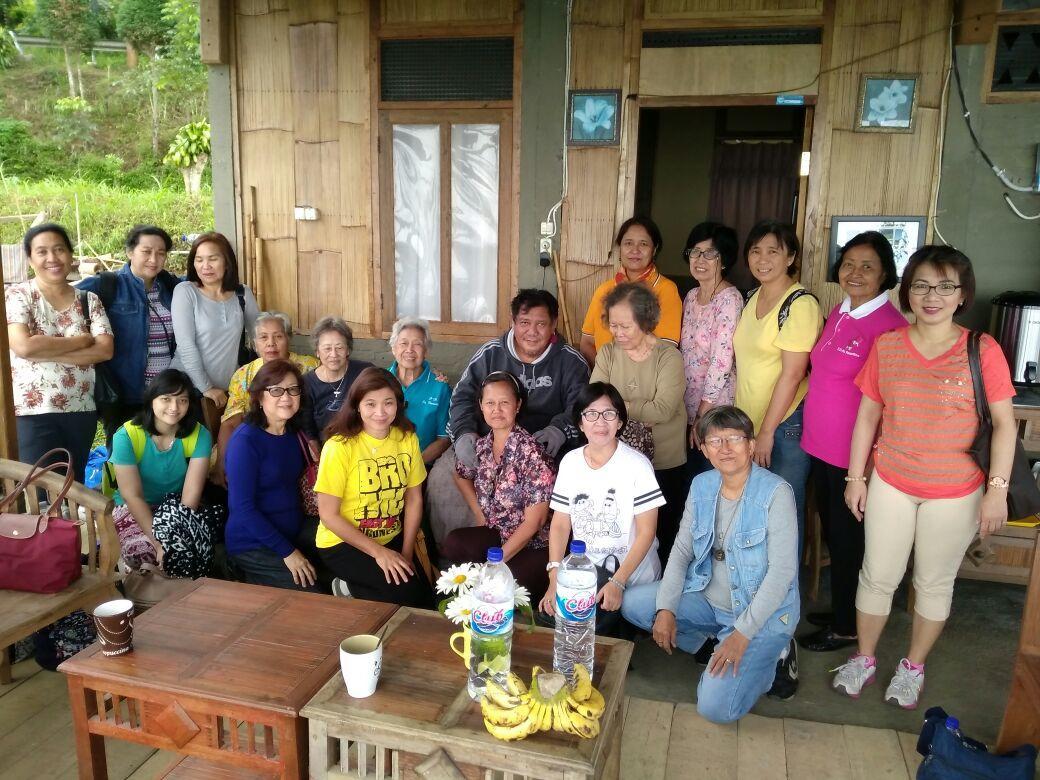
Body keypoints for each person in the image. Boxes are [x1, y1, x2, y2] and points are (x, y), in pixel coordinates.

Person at [833, 246, 1017, 710]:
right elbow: (868, 414)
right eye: (921, 285)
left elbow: (1004, 424)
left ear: (961, 295)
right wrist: (857, 478)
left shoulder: (983, 349)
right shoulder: (889, 345)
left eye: (945, 285)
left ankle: (913, 666)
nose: (932, 295)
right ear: (907, 291)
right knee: (877, 575)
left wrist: (996, 491)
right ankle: (865, 658)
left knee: (934, 583)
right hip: (892, 480)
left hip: (956, 490)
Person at [621, 406, 801, 723]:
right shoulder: (703, 485)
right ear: (703, 448)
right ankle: (712, 643)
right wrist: (665, 609)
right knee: (635, 603)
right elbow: (680, 552)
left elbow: (782, 574)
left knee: (715, 710)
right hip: (706, 597)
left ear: (751, 444)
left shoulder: (775, 493)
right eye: (715, 441)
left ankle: (776, 659)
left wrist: (742, 634)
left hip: (757, 614)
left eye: (734, 438)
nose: (725, 449)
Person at [798, 232, 905, 653]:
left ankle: (847, 627)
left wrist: (863, 469)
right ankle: (846, 609)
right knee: (836, 533)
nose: (855, 273)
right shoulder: (840, 311)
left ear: (884, 275)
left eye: (867, 266)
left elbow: (887, 403)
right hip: (821, 447)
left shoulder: (890, 328)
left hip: (854, 457)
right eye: (848, 264)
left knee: (849, 542)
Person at [429, 289, 589, 547]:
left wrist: (559, 430)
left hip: (545, 447)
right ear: (513, 322)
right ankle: (453, 561)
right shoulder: (491, 354)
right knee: (441, 479)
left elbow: (581, 407)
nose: (532, 331)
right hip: (487, 441)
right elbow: (461, 398)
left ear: (554, 325)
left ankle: (541, 551)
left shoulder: (570, 362)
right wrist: (464, 435)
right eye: (524, 323)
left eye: (541, 324)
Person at [539, 382, 663, 635]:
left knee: (583, 627)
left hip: (630, 572)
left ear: (619, 422)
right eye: (591, 414)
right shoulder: (571, 462)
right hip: (586, 571)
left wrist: (618, 582)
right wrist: (554, 576)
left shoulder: (637, 465)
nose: (600, 422)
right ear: (580, 422)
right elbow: (561, 524)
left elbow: (646, 533)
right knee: (549, 615)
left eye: (609, 414)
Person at [732, 220, 822, 555]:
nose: (763, 258)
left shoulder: (799, 305)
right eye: (755, 251)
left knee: (783, 512)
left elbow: (792, 374)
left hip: (784, 427)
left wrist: (767, 431)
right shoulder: (752, 297)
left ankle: (785, 598)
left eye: (773, 250)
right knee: (753, 509)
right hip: (749, 424)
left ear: (791, 257)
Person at [314, 367, 433, 606]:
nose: (380, 412)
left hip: (391, 535)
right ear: (357, 405)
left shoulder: (407, 438)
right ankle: (346, 583)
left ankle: (351, 586)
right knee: (408, 596)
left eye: (388, 403)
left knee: (427, 596)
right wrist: (380, 553)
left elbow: (414, 500)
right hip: (343, 542)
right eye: (370, 404)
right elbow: (328, 515)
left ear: (398, 404)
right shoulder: (339, 447)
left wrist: (406, 553)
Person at [6, 223, 113, 481]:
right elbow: (23, 345)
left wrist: (42, 349)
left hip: (81, 409)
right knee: (37, 489)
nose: (52, 258)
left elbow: (105, 350)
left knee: (72, 488)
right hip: (32, 411)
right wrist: (83, 339)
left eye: (59, 249)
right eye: (42, 252)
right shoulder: (18, 295)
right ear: (30, 259)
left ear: (71, 255)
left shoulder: (88, 300)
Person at [590, 282, 687, 562]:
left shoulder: (669, 357)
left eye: (625, 326)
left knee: (662, 531)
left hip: (663, 460)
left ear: (645, 321)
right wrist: (624, 409)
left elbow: (663, 410)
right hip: (616, 459)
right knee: (621, 529)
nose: (617, 333)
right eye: (613, 325)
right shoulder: (608, 353)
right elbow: (595, 401)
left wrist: (616, 409)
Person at [442, 372, 556, 600]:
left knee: (507, 585)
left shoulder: (532, 453)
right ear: (481, 406)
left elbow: (535, 522)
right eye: (490, 403)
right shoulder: (483, 446)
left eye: (504, 402)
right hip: (497, 532)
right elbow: (461, 474)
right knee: (454, 544)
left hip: (533, 544)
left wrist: (495, 564)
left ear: (518, 405)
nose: (497, 409)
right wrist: (478, 512)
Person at [109, 369, 224, 579]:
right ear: (151, 399)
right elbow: (131, 495)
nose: (174, 408)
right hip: (133, 507)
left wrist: (172, 536)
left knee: (188, 550)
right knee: (143, 552)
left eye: (182, 400)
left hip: (178, 508)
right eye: (166, 399)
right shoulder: (126, 436)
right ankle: (140, 593)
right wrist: (158, 540)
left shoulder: (199, 435)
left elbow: (191, 494)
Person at [224, 359, 323, 591]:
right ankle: (247, 575)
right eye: (276, 390)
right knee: (313, 594)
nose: (286, 397)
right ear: (259, 397)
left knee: (342, 555)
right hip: (254, 543)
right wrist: (289, 552)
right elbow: (242, 508)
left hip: (294, 530)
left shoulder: (293, 433)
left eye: (292, 389)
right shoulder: (245, 441)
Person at [78, 225, 180, 443]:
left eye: (161, 253)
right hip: (124, 396)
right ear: (130, 252)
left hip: (167, 396)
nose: (154, 259)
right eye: (146, 251)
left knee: (166, 458)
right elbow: (65, 296)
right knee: (124, 463)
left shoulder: (172, 287)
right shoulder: (107, 285)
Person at [214, 311, 319, 485]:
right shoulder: (243, 375)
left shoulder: (310, 367)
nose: (271, 343)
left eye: (278, 336)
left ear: (288, 338)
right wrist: (220, 465)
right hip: (258, 444)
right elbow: (230, 422)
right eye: (263, 337)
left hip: (299, 440)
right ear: (254, 344)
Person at [170, 232, 260, 431]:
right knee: (190, 451)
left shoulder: (242, 293)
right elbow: (186, 345)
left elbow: (259, 336)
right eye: (199, 260)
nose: (205, 266)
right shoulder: (186, 291)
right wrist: (207, 388)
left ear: (227, 262)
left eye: (213, 259)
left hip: (229, 390)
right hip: (188, 389)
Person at [679, 221, 744, 478]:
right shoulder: (691, 296)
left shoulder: (729, 299)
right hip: (689, 404)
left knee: (712, 474)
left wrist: (702, 413)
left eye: (710, 253)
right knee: (692, 477)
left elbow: (722, 360)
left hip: (716, 408)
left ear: (724, 259)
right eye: (695, 252)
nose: (700, 259)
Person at [580, 216, 682, 367]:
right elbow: (587, 342)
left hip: (644, 383)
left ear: (654, 250)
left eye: (643, 244)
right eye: (628, 243)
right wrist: (608, 375)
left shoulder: (666, 289)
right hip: (605, 383)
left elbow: (665, 348)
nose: (635, 250)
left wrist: (626, 379)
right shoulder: (604, 290)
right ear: (619, 248)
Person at [388, 316, 451, 467]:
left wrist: (414, 466)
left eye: (417, 344)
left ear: (426, 351)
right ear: (393, 348)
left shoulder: (440, 387)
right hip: (382, 467)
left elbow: (444, 439)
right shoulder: (379, 382)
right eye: (403, 343)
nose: (409, 350)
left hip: (423, 466)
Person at [302, 316, 372, 443]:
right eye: (327, 348)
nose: (333, 355)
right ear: (317, 351)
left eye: (339, 348)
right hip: (327, 449)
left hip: (363, 445)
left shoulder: (364, 372)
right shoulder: (307, 383)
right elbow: (308, 427)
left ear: (348, 350)